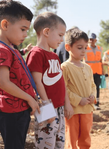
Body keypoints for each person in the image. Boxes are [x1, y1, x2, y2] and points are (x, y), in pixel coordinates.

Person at [26, 12, 74, 149]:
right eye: (60, 35)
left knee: (59, 144)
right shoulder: (36, 54)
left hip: (59, 108)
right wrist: (47, 108)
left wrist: (67, 104)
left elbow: (61, 82)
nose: (61, 39)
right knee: (45, 145)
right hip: (46, 108)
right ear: (46, 32)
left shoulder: (54, 56)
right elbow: (36, 83)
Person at [0, 0, 40, 149]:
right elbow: (3, 82)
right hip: (12, 111)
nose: (25, 34)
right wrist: (29, 98)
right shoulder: (2, 49)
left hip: (20, 108)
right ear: (5, 25)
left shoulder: (11, 49)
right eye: (23, 29)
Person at [62, 27, 96, 149]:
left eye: (85, 48)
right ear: (68, 47)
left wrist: (93, 96)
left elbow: (93, 85)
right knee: (72, 139)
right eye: (79, 47)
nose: (83, 51)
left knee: (85, 139)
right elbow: (63, 88)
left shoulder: (88, 67)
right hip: (73, 110)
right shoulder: (65, 67)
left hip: (87, 109)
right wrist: (77, 100)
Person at [85, 33, 103, 110]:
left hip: (98, 71)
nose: (91, 41)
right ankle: (89, 103)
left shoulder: (100, 48)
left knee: (97, 88)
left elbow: (100, 60)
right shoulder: (85, 48)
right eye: (90, 39)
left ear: (96, 40)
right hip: (89, 72)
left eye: (93, 39)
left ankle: (96, 103)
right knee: (88, 88)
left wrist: (103, 70)